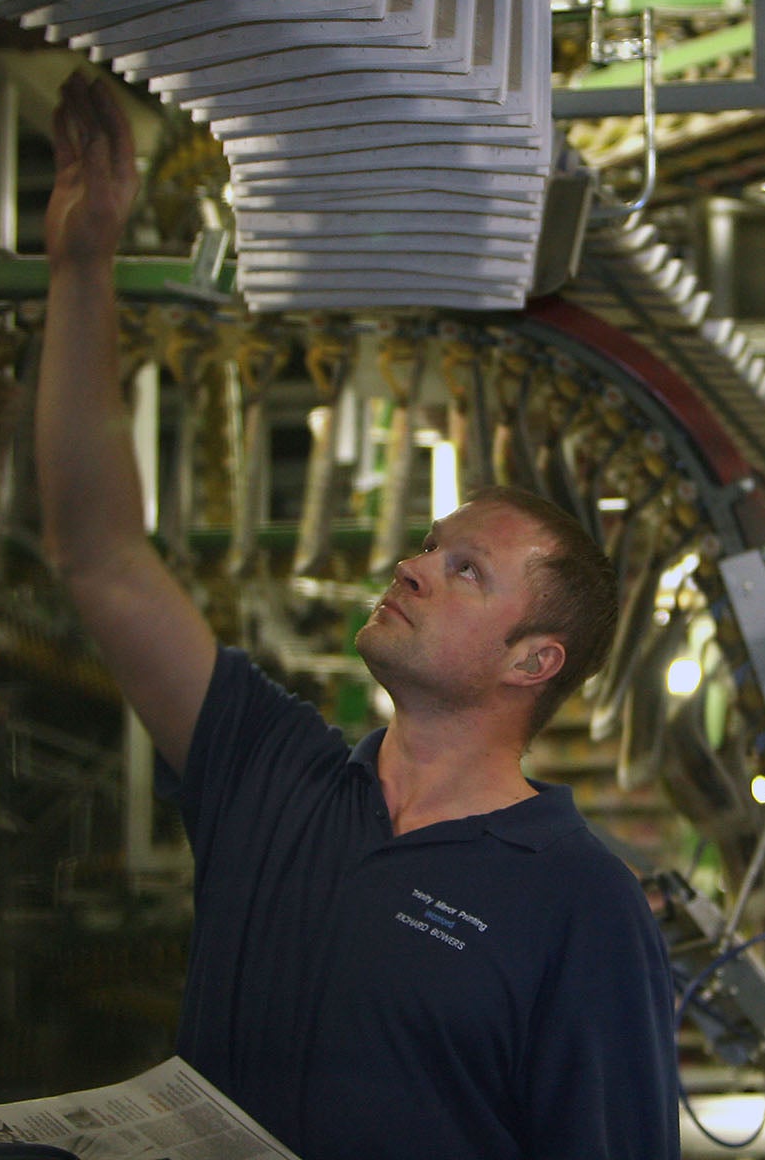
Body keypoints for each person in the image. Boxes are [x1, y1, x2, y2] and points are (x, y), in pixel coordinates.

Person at [37, 70, 680, 1160]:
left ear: (535, 659)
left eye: (465, 570)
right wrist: (81, 264)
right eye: (427, 548)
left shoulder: (578, 903)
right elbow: (96, 555)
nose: (415, 566)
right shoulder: (270, 775)